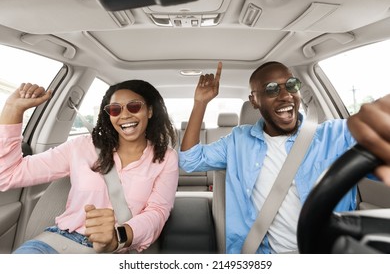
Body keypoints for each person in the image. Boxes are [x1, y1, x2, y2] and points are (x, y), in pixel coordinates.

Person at [179, 61, 390, 254]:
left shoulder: (334, 134)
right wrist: (200, 103)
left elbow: (379, 145)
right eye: (271, 89)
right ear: (254, 100)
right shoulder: (238, 140)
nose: (286, 95)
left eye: (291, 85)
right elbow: (189, 160)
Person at [0, 80, 179, 254]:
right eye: (115, 109)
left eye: (134, 106)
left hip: (117, 250)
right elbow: (9, 174)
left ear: (149, 111)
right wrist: (12, 109)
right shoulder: (80, 147)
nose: (124, 115)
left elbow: (157, 212)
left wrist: (118, 237)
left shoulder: (166, 157)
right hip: (57, 243)